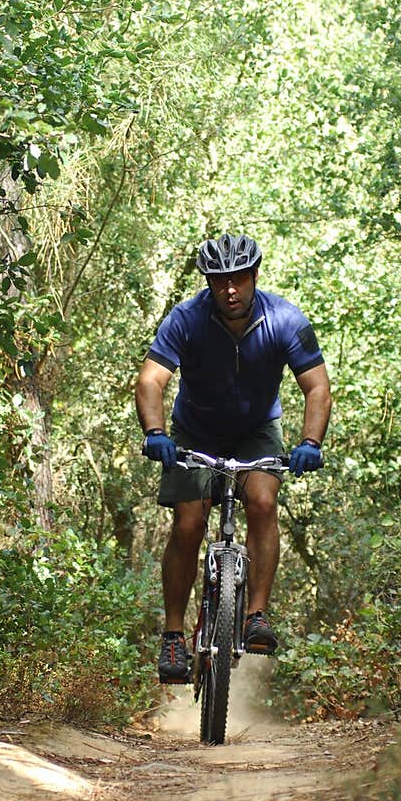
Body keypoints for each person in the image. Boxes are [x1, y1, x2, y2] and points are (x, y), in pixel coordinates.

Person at [135, 231, 332, 683]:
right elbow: (151, 381)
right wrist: (155, 432)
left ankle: (256, 615)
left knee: (262, 503)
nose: (230, 289)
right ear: (208, 281)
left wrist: (310, 442)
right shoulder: (185, 319)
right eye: (220, 280)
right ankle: (172, 638)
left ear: (254, 276)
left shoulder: (285, 319)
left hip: (255, 431)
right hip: (194, 432)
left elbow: (316, 387)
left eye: (239, 279)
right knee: (189, 524)